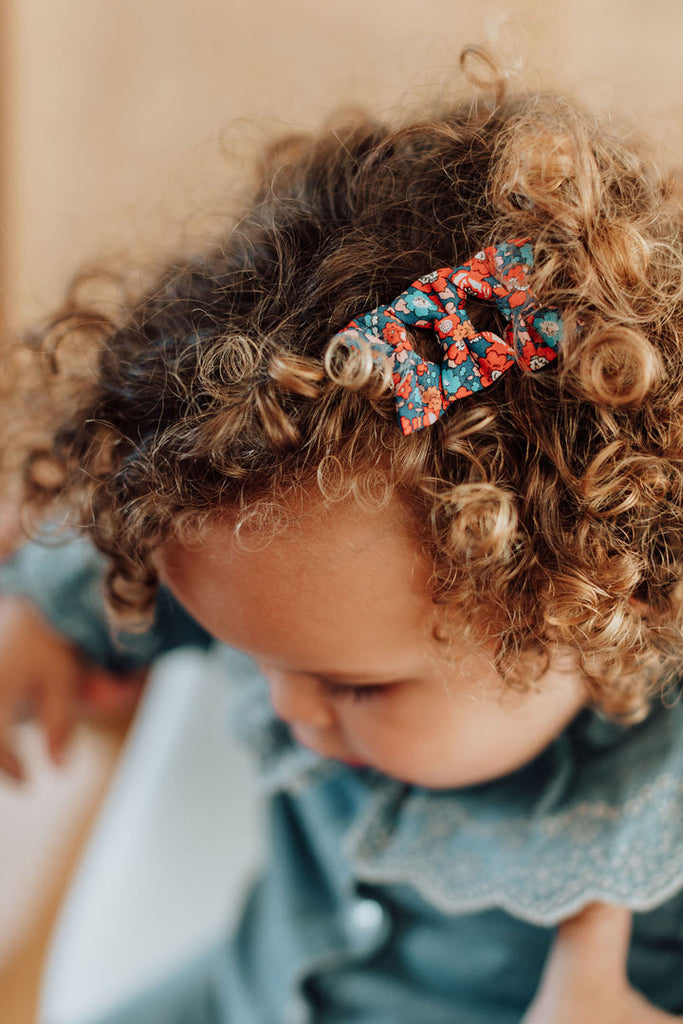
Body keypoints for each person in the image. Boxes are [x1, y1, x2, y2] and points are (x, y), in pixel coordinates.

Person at [2, 63, 683, 1022]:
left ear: (587, 602)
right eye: (249, 657)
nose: (287, 710)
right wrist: (45, 611)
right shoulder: (298, 585)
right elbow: (151, 558)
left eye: (356, 687)